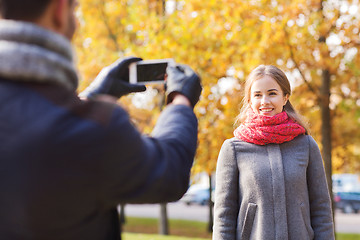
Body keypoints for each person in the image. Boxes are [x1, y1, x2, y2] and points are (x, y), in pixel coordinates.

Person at [0, 0, 202, 239]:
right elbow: (169, 171)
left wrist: (91, 97)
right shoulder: (95, 129)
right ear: (59, 10)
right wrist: (180, 101)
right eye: (75, 10)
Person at [213, 65, 334, 240]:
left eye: (272, 93)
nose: (264, 101)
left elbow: (321, 208)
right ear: (249, 99)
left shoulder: (306, 145)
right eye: (257, 95)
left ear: (285, 97)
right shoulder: (233, 149)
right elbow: (224, 214)